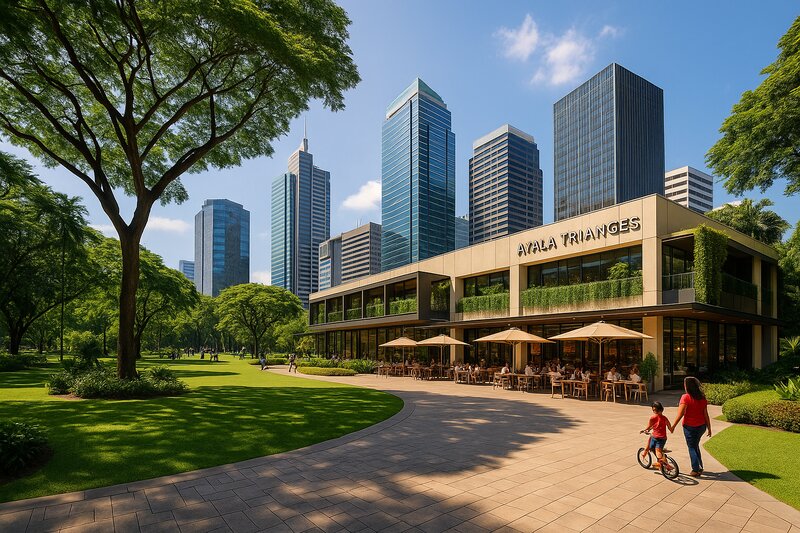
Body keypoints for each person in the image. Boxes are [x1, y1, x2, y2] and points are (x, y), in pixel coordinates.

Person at [670, 376, 712, 477]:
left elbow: (680, 414)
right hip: (702, 426)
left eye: (684, 384)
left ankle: (695, 470)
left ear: (687, 386)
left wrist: (673, 426)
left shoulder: (685, 397)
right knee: (695, 445)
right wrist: (709, 428)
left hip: (690, 427)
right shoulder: (702, 398)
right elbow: (706, 414)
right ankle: (700, 467)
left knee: (691, 447)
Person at [641, 401, 672, 468]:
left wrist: (645, 430)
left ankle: (665, 464)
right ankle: (661, 459)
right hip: (663, 438)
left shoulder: (653, 418)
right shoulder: (665, 418)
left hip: (655, 437)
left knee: (656, 450)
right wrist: (671, 429)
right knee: (656, 449)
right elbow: (669, 427)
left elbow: (648, 426)